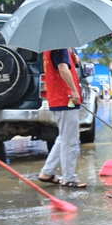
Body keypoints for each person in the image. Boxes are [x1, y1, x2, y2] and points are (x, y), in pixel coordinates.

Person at [37, 49, 87, 189]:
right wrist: (74, 91)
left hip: (58, 98)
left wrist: (74, 61)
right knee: (70, 140)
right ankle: (69, 178)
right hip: (65, 98)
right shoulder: (59, 47)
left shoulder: (51, 48)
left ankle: (47, 172)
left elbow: (64, 66)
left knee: (63, 138)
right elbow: (63, 69)